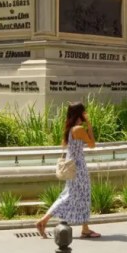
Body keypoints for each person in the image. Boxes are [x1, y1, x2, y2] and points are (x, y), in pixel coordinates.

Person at [36, 101, 100, 239]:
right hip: (79, 169)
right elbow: (92, 145)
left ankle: (85, 228)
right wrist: (89, 124)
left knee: (75, 196)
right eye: (84, 112)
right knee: (74, 196)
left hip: (74, 168)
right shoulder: (78, 129)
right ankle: (43, 221)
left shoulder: (70, 130)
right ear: (81, 113)